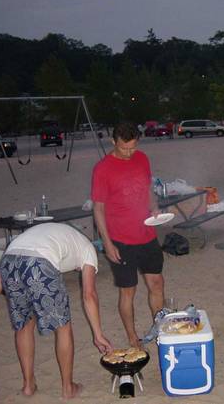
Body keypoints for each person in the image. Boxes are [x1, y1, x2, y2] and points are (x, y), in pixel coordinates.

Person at [0, 223, 112, 400]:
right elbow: (89, 295)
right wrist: (98, 335)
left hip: (9, 262)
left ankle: (28, 386)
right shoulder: (88, 249)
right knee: (63, 327)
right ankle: (68, 388)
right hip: (39, 263)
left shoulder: (59, 235)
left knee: (24, 324)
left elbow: (16, 254)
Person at [92, 121, 164, 347]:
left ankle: (159, 329)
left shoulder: (142, 158)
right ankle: (133, 337)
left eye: (133, 147)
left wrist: (154, 206)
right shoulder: (102, 169)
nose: (129, 152)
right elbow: (98, 208)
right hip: (121, 240)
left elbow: (148, 188)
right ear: (113, 142)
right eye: (124, 148)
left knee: (157, 283)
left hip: (147, 234)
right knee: (128, 292)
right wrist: (107, 243)